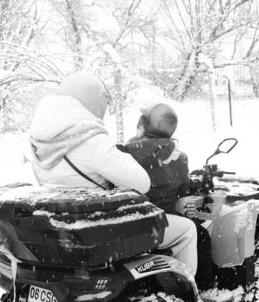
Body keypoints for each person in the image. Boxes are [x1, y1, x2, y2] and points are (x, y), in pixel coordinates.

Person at [29, 72, 198, 276]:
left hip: (61, 227)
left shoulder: (38, 143)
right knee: (188, 228)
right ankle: (188, 290)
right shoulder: (92, 141)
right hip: (98, 228)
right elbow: (141, 182)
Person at [120, 103, 212, 288]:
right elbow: (183, 190)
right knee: (201, 234)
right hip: (160, 217)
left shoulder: (124, 152)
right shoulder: (177, 157)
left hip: (130, 218)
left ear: (145, 125)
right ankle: (201, 287)